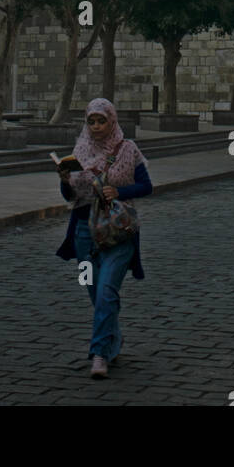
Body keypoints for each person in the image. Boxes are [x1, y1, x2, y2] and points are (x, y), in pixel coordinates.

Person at [55, 97, 153, 379]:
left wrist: (119, 192)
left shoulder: (128, 149)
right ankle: (113, 337)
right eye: (92, 121)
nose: (97, 126)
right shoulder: (80, 150)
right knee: (95, 292)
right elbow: (72, 196)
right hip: (84, 232)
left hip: (118, 231)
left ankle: (99, 354)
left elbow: (146, 186)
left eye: (102, 121)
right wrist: (64, 181)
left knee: (107, 290)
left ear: (112, 121)